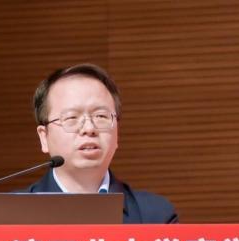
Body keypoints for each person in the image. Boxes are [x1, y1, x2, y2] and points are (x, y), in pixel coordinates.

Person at [26, 64, 178, 223]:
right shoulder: (13, 215)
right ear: (44, 137)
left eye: (100, 116)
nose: (89, 129)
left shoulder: (156, 217)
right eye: (71, 118)